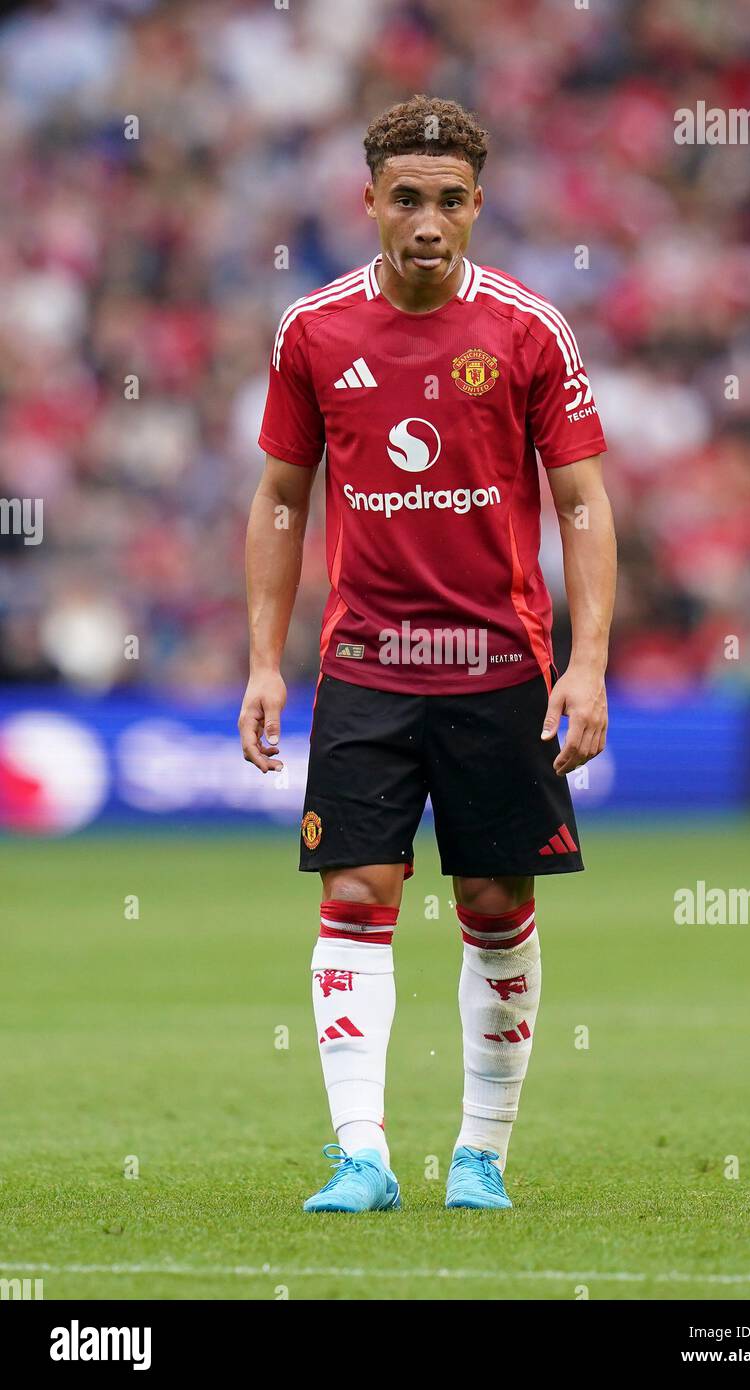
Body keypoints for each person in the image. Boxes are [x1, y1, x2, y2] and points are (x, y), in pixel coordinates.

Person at [239, 94, 616, 1212]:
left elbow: (584, 504)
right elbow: (277, 499)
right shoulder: (312, 330)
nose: (426, 221)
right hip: (365, 659)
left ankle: (480, 1154)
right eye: (406, 197)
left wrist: (586, 663)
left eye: (449, 200)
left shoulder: (527, 329)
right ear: (368, 202)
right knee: (356, 886)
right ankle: (362, 1153)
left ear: (476, 208)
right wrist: (265, 659)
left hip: (499, 662)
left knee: (494, 902)